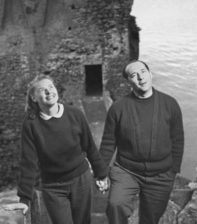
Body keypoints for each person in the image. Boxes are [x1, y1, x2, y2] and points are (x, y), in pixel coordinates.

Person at [10, 75, 108, 224]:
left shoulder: (75, 114)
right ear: (34, 98)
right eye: (43, 90)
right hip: (53, 188)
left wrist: (101, 174)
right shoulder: (31, 124)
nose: (49, 92)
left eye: (51, 87)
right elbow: (28, 162)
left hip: (81, 180)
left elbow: (89, 146)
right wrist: (24, 198)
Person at [96, 59, 184, 224]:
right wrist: (101, 173)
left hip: (161, 174)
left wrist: (173, 171)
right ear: (129, 82)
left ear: (150, 74)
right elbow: (108, 143)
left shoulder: (170, 104)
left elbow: (177, 139)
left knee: (150, 219)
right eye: (134, 75)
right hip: (127, 171)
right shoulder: (118, 108)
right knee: (116, 205)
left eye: (143, 72)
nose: (140, 78)